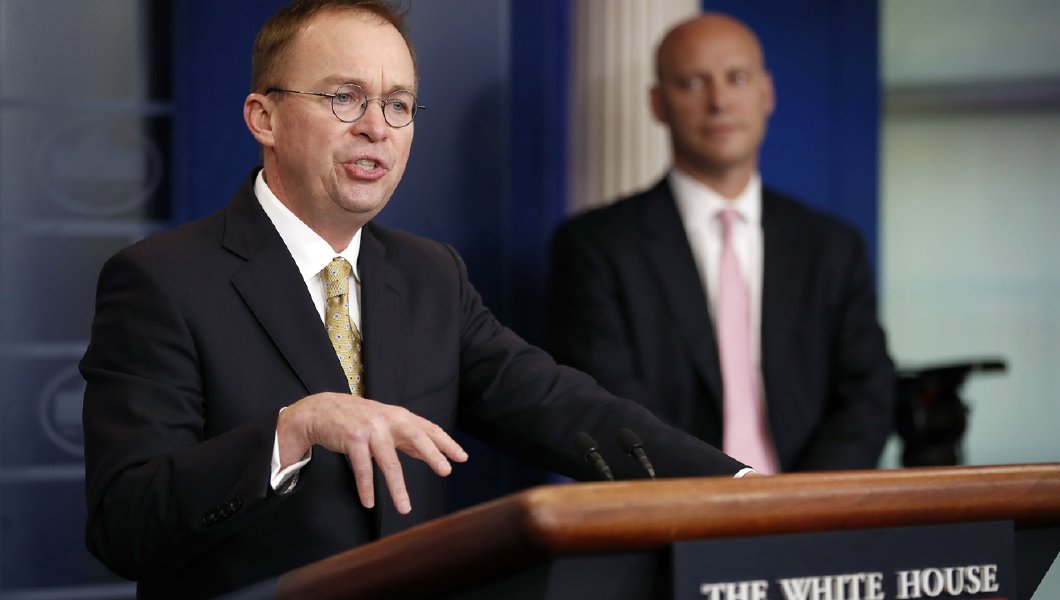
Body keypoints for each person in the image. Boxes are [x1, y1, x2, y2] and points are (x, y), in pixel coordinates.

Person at [79, 1, 747, 597]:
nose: (377, 127)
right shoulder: (162, 280)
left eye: (397, 105)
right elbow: (125, 524)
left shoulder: (431, 275)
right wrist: (292, 431)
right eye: (345, 97)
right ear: (265, 118)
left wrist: (742, 491)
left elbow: (561, 406)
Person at [548, 13, 894, 475]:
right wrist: (718, 498)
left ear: (766, 93)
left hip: (814, 506)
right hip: (670, 506)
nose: (719, 101)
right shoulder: (595, 247)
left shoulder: (833, 246)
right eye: (692, 83)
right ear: (658, 103)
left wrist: (801, 504)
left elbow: (868, 393)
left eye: (737, 78)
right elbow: (611, 406)